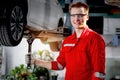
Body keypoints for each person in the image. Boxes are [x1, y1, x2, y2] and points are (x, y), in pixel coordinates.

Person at [26, 2, 106, 80]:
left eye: (80, 15)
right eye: (73, 15)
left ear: (87, 17)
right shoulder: (67, 41)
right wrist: (36, 61)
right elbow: (59, 65)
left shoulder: (95, 39)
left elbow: (99, 73)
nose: (76, 19)